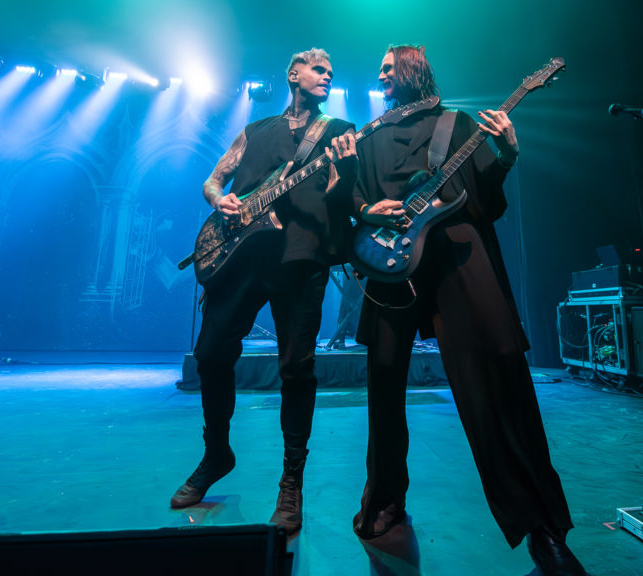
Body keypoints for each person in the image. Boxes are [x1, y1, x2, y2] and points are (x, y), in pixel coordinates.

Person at [350, 45, 587, 575]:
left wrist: (506, 154)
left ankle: (542, 530)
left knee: (498, 375)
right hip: (390, 260)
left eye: (389, 66)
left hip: (458, 249)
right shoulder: (369, 136)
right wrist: (367, 210)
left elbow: (486, 197)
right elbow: (354, 199)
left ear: (412, 68)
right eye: (380, 69)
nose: (381, 75)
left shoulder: (456, 124)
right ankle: (384, 501)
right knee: (384, 383)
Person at [169, 48, 358, 536]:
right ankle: (216, 454)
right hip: (239, 257)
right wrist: (221, 200)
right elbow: (213, 180)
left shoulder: (339, 131)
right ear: (293, 74)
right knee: (211, 355)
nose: (327, 76)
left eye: (331, 72)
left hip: (300, 257)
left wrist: (346, 172)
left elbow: (339, 197)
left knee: (296, 368)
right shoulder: (255, 130)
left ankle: (291, 480)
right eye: (318, 69)